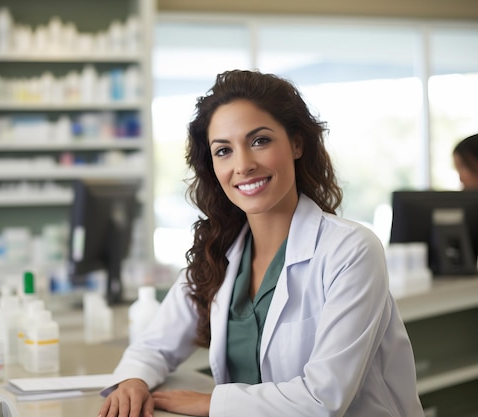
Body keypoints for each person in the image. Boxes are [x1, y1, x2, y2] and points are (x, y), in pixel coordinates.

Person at [98, 70, 424, 417]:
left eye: (259, 141)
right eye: (223, 150)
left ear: (297, 144)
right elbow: (154, 345)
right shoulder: (219, 253)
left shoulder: (351, 250)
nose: (243, 165)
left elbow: (324, 399)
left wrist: (208, 402)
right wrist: (134, 382)